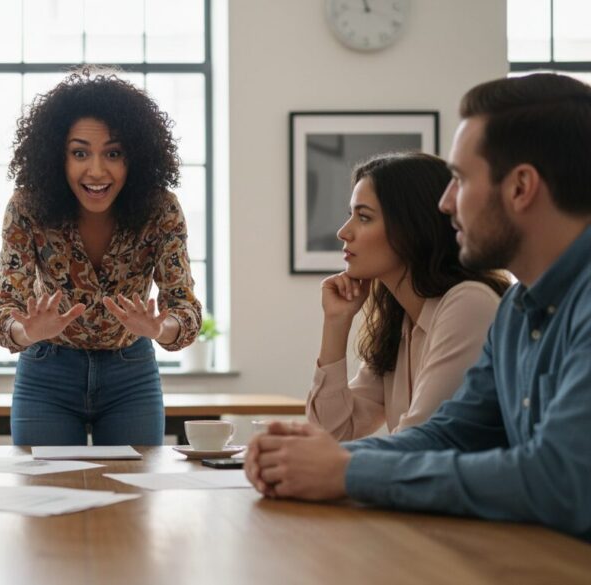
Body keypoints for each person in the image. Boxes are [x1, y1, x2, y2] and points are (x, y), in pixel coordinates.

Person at [245, 73, 591, 541]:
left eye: (461, 180)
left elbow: (559, 478)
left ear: (520, 187)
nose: (446, 204)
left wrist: (346, 471)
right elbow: (449, 433)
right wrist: (312, 459)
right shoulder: (515, 310)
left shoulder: (506, 303)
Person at [0, 70, 202, 446]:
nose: (97, 170)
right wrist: (28, 333)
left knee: (135, 484)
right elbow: (5, 308)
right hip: (47, 373)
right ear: (57, 157)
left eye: (113, 153)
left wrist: (159, 329)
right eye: (80, 153)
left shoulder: (161, 210)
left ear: (135, 157)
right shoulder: (26, 208)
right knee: (45, 483)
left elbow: (184, 308)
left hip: (131, 375)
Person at [307, 152, 510, 439]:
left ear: (413, 227)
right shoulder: (399, 323)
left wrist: (318, 457)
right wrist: (336, 322)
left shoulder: (468, 304)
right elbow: (331, 433)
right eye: (350, 215)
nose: (343, 232)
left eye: (364, 217)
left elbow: (420, 439)